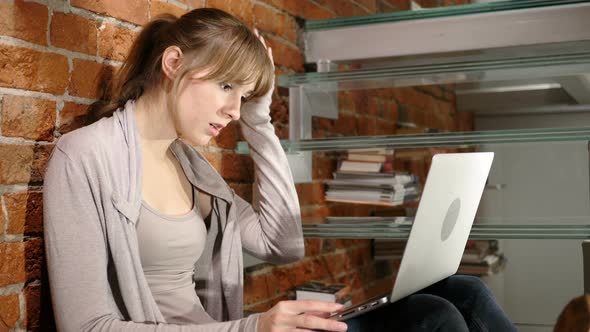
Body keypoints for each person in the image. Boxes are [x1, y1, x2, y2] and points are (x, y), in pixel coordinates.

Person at [43, 7, 516, 332]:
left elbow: (282, 243)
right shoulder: (85, 156)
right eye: (227, 85)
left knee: (462, 292)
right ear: (173, 63)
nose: (233, 109)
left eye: (243, 96)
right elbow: (87, 325)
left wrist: (260, 120)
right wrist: (253, 326)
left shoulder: (190, 166)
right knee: (436, 320)